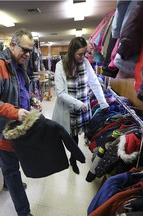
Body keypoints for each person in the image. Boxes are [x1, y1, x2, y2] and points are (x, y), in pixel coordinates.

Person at [0, 28, 40, 216]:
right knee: (12, 168)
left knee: (12, 162)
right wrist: (15, 112)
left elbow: (18, 88)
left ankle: (7, 183)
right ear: (12, 45)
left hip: (14, 126)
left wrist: (31, 99)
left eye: (31, 51)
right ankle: (24, 212)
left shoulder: (18, 64)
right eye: (25, 49)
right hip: (2, 129)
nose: (28, 54)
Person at [52, 37, 109, 175]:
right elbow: (60, 92)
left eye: (84, 53)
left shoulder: (85, 64)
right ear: (72, 52)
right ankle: (71, 158)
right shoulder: (60, 66)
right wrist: (78, 104)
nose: (83, 57)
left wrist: (103, 102)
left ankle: (73, 158)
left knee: (76, 135)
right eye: (80, 54)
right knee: (70, 135)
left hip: (82, 107)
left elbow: (94, 82)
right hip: (68, 108)